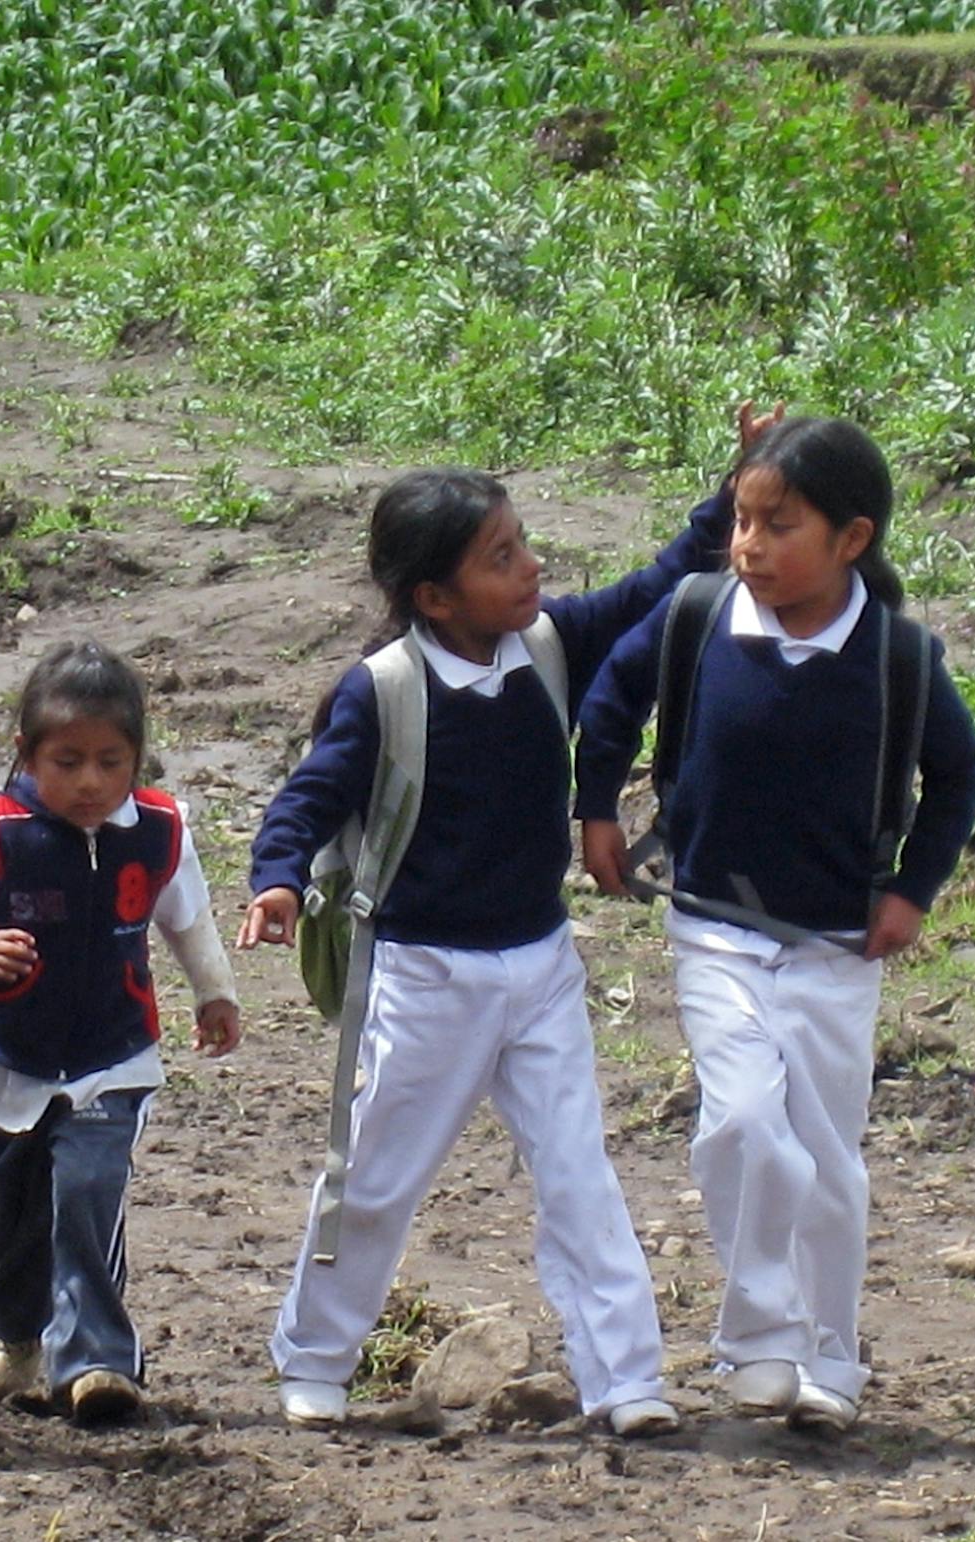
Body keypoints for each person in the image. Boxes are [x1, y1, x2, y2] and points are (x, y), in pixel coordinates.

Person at [240, 442, 743, 1438]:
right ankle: (315, 1360)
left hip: (542, 965)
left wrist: (726, 498)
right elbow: (310, 798)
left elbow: (656, 586)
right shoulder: (382, 691)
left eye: (524, 546)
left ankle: (626, 1380)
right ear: (435, 596)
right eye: (502, 558)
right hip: (425, 976)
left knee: (578, 1173)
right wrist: (278, 882)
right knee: (375, 1176)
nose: (531, 569)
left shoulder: (547, 645)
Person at [574, 416, 975, 1432]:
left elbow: (961, 772)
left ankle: (830, 1360)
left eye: (777, 525)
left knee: (826, 1153)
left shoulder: (896, 654)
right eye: (742, 521)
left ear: (852, 540)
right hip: (713, 923)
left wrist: (913, 888)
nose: (748, 544)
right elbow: (613, 696)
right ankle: (759, 1333)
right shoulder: (700, 616)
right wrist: (594, 811)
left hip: (841, 942)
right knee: (746, 1124)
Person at [0, 640, 241, 1424]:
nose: (90, 783)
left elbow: (186, 918)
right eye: (67, 761)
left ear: (136, 758)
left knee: (89, 1195)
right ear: (28, 754)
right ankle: (16, 1327)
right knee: (9, 1223)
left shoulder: (158, 828)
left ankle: (96, 1361)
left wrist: (215, 995)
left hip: (109, 1059)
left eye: (109, 760)